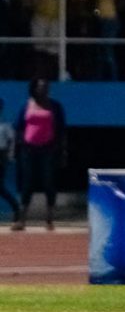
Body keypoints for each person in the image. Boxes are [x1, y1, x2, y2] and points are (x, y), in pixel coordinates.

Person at [12, 77, 66, 231]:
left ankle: (49, 219)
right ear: (34, 88)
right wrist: (18, 146)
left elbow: (62, 130)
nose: (44, 89)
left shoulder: (55, 106)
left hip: (47, 149)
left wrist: (62, 151)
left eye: (46, 86)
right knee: (27, 183)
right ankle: (22, 219)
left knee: (48, 182)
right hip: (28, 149)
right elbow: (18, 126)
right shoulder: (27, 105)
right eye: (41, 86)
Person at [0, 98, 21, 224]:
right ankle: (16, 208)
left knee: (0, 188)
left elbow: (11, 142)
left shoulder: (5, 126)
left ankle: (16, 208)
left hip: (1, 156)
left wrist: (9, 157)